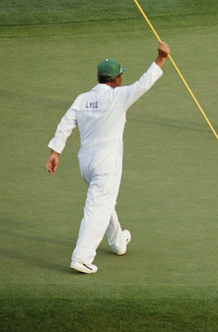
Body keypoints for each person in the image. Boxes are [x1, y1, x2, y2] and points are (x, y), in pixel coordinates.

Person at [45, 42, 170, 274]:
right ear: (116, 79)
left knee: (104, 201)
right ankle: (81, 257)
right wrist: (161, 58)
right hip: (106, 164)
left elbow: (65, 124)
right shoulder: (118, 96)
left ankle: (118, 242)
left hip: (86, 164)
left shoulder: (82, 99)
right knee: (97, 207)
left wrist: (55, 152)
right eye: (121, 75)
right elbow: (144, 83)